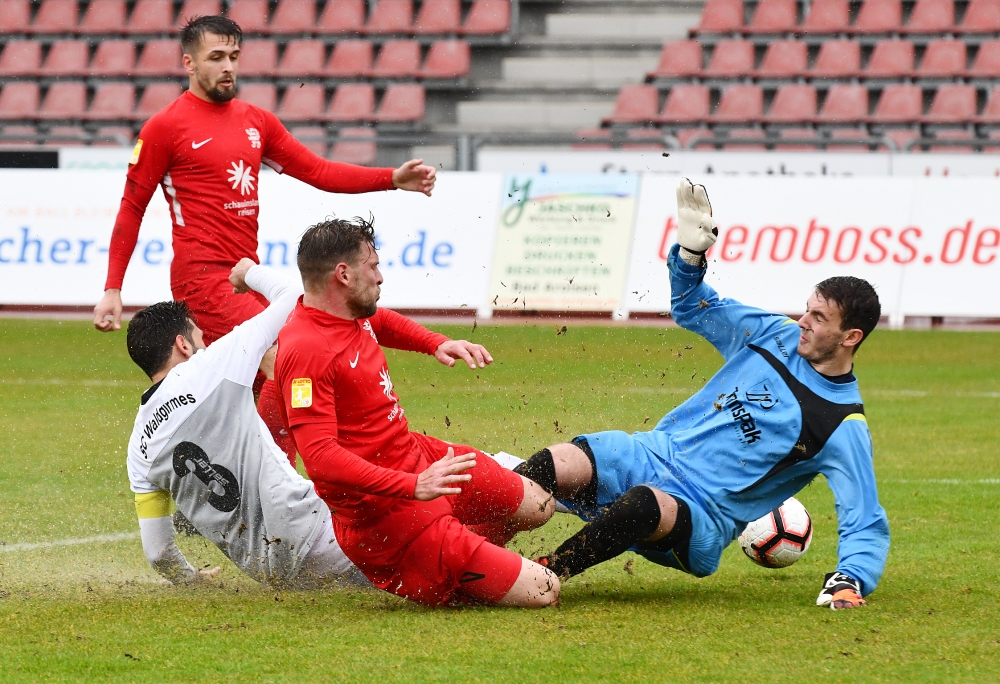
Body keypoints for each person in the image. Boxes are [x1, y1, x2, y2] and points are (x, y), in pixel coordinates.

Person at [515, 179, 890, 611]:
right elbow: (693, 306)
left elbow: (864, 517)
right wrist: (690, 259)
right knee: (558, 462)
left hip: (701, 514)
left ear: (850, 337)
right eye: (807, 309)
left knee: (641, 505)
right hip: (651, 453)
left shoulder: (842, 424)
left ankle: (540, 575)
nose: (803, 321)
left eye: (819, 317)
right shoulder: (774, 334)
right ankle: (475, 537)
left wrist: (851, 578)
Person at [94, 15, 437, 465]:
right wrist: (113, 288)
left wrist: (390, 178)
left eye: (234, 56)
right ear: (189, 63)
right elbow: (131, 207)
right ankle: (281, 482)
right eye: (216, 57)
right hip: (203, 280)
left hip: (245, 278)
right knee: (286, 359)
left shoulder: (256, 121)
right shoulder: (165, 128)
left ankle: (242, 482)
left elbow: (318, 171)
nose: (228, 67)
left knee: (266, 387)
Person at [274, 217, 560, 607]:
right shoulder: (307, 349)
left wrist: (434, 342)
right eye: (372, 266)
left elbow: (380, 321)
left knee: (539, 506)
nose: (380, 277)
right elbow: (321, 458)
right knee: (545, 589)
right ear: (343, 274)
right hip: (388, 518)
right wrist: (413, 486)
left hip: (423, 460)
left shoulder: (348, 311)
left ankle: (465, 552)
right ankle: (441, 564)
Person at [125, 258, 364, 589]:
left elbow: (158, 552)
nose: (206, 345)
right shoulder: (211, 366)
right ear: (183, 345)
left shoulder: (139, 449)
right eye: (201, 338)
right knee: (420, 525)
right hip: (315, 530)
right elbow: (294, 296)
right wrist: (250, 273)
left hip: (273, 574)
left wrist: (192, 581)